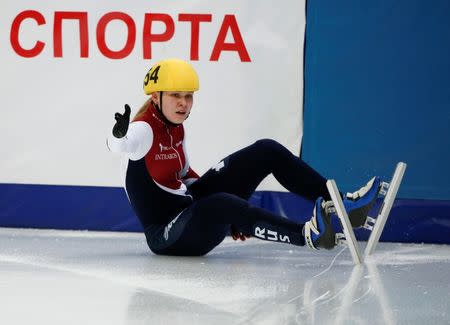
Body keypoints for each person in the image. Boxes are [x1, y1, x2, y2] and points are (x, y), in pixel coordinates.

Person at [107, 58, 381, 256]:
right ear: (156, 97)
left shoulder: (175, 128)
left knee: (266, 150)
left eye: (189, 96)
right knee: (222, 202)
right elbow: (119, 145)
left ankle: (344, 208)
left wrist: (237, 212)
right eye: (176, 96)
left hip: (192, 212)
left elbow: (186, 177)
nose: (184, 103)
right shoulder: (143, 129)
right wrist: (117, 135)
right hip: (170, 236)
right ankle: (309, 236)